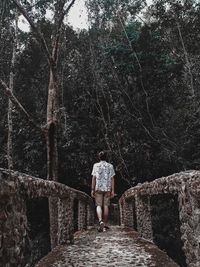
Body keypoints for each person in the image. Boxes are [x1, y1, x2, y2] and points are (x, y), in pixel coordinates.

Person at [91, 151, 115, 232]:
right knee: (106, 206)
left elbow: (94, 178)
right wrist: (112, 191)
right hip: (107, 188)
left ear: (99, 157)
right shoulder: (110, 166)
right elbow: (112, 179)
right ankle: (104, 224)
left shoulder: (96, 165)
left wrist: (92, 189)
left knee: (98, 205)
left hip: (98, 188)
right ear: (106, 157)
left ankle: (100, 221)